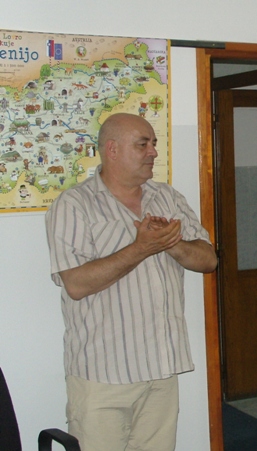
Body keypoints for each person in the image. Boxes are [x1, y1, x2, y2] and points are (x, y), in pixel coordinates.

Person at [45, 113, 218, 451]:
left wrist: (171, 243)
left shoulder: (167, 197)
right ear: (112, 149)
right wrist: (141, 248)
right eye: (143, 144)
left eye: (153, 143)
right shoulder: (74, 205)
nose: (153, 152)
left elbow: (208, 260)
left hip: (161, 370)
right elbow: (76, 284)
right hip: (103, 376)